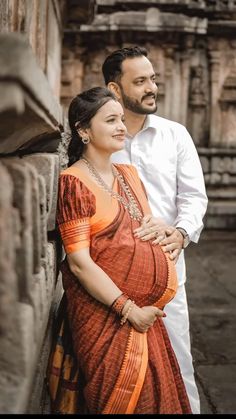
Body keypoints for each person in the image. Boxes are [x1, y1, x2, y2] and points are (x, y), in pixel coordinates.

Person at [47, 86, 192, 414]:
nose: (122, 127)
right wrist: (129, 310)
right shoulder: (73, 182)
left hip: (148, 315)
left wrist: (165, 231)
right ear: (84, 131)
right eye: (111, 120)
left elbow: (145, 225)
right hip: (110, 317)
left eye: (122, 120)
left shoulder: (128, 175)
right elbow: (80, 262)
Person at [102, 46, 208, 414]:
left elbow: (194, 197)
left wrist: (180, 233)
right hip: (111, 279)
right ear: (115, 90)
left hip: (167, 272)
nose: (152, 88)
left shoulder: (175, 135)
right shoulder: (98, 140)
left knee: (179, 365)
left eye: (154, 79)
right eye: (141, 81)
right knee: (115, 373)